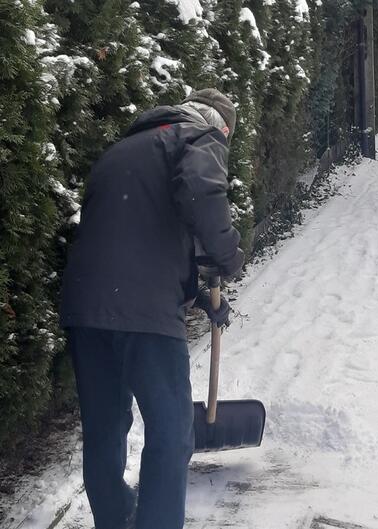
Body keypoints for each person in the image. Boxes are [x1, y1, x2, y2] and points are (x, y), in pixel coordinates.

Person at [59, 89, 244, 529]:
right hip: (144, 316)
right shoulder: (200, 135)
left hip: (86, 309)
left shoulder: (123, 148)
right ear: (222, 126)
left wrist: (197, 294)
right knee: (171, 431)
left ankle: (116, 518)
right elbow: (201, 194)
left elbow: (138, 235)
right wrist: (229, 257)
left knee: (104, 430)